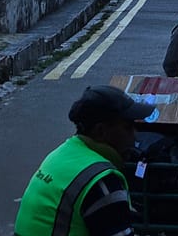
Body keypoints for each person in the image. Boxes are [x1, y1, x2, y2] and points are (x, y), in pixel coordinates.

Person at [14, 84, 152, 236]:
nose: (135, 135)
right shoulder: (100, 180)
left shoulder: (63, 153)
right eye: (127, 127)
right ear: (101, 131)